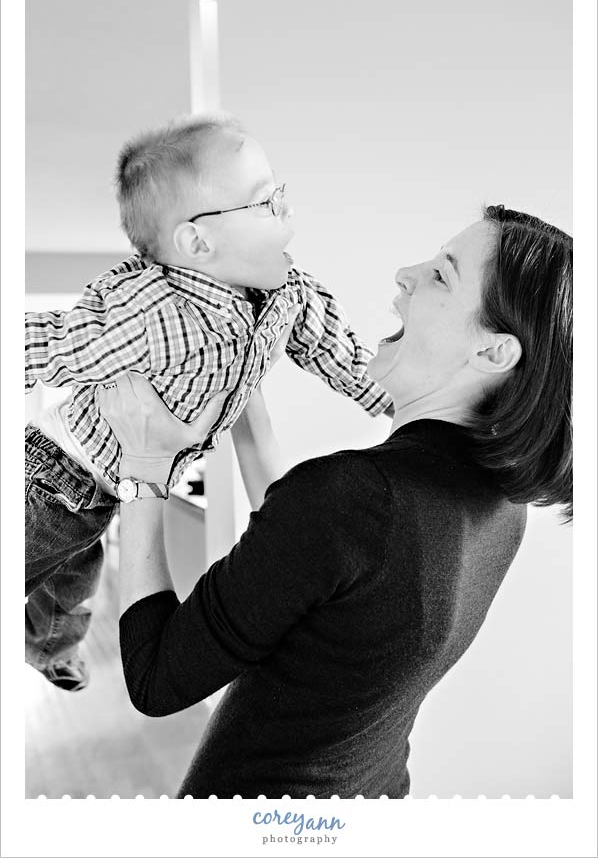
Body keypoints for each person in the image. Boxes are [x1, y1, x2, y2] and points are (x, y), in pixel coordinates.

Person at [98, 206, 572, 798]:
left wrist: (141, 468)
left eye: (442, 276)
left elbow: (156, 678)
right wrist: (240, 384)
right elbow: (302, 553)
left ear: (495, 352)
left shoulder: (354, 498)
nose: (406, 273)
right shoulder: (499, 502)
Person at [24, 113, 393, 691]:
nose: (287, 213)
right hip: (59, 475)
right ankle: (49, 641)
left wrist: (408, 405)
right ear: (197, 242)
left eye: (280, 194)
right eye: (264, 203)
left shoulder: (286, 295)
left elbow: (340, 354)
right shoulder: (152, 309)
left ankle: (50, 647)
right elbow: (55, 342)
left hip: (113, 486)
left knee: (72, 579)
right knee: (42, 560)